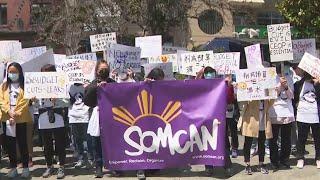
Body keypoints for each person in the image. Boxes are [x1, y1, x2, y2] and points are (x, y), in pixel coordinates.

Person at [196, 66, 233, 177]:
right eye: (206, 73)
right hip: (205, 120)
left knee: (222, 143)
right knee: (206, 143)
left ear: (215, 74)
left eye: (211, 73)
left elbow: (230, 99)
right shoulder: (201, 85)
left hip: (219, 120)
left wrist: (229, 85)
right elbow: (193, 87)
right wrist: (199, 73)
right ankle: (209, 167)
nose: (209, 75)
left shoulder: (222, 85)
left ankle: (227, 166)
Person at [34, 64, 69, 179]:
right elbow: (36, 106)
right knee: (47, 145)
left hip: (57, 117)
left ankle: (62, 166)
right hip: (43, 118)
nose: (47, 76)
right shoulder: (37, 86)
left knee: (60, 143)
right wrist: (33, 100)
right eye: (44, 73)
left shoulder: (60, 84)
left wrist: (57, 99)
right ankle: (49, 166)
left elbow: (67, 102)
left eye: (49, 73)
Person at [84, 60, 116, 178]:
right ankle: (98, 166)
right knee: (96, 142)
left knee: (111, 142)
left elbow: (120, 96)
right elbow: (87, 101)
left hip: (111, 116)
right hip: (97, 116)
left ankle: (113, 165)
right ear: (97, 71)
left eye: (105, 69)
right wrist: (95, 88)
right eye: (101, 69)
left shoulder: (112, 82)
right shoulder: (92, 84)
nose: (103, 71)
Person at [0, 62, 32, 178]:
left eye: (14, 72)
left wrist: (16, 113)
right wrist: (9, 112)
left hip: (21, 119)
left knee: (23, 144)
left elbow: (25, 101)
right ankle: (13, 168)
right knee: (10, 144)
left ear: (19, 72)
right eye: (10, 72)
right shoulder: (3, 86)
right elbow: (1, 101)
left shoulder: (25, 85)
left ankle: (25, 168)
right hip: (7, 119)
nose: (12, 74)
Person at [268, 64, 295, 170]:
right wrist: (280, 85)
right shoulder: (271, 78)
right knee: (273, 139)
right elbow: (271, 95)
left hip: (287, 112)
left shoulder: (289, 78)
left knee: (286, 139)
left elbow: (291, 96)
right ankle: (274, 161)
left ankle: (284, 159)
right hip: (274, 112)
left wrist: (286, 86)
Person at [294, 72, 320, 169]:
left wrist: (317, 84)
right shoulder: (299, 84)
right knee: (301, 138)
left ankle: (318, 158)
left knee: (317, 138)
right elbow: (295, 97)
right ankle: (300, 158)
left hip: (316, 115)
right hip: (302, 114)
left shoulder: (317, 83)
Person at [68, 83, 93, 169]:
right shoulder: (69, 86)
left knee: (88, 138)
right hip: (73, 115)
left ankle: (90, 158)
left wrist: (87, 88)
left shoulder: (87, 84)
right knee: (77, 139)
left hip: (85, 114)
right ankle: (80, 158)